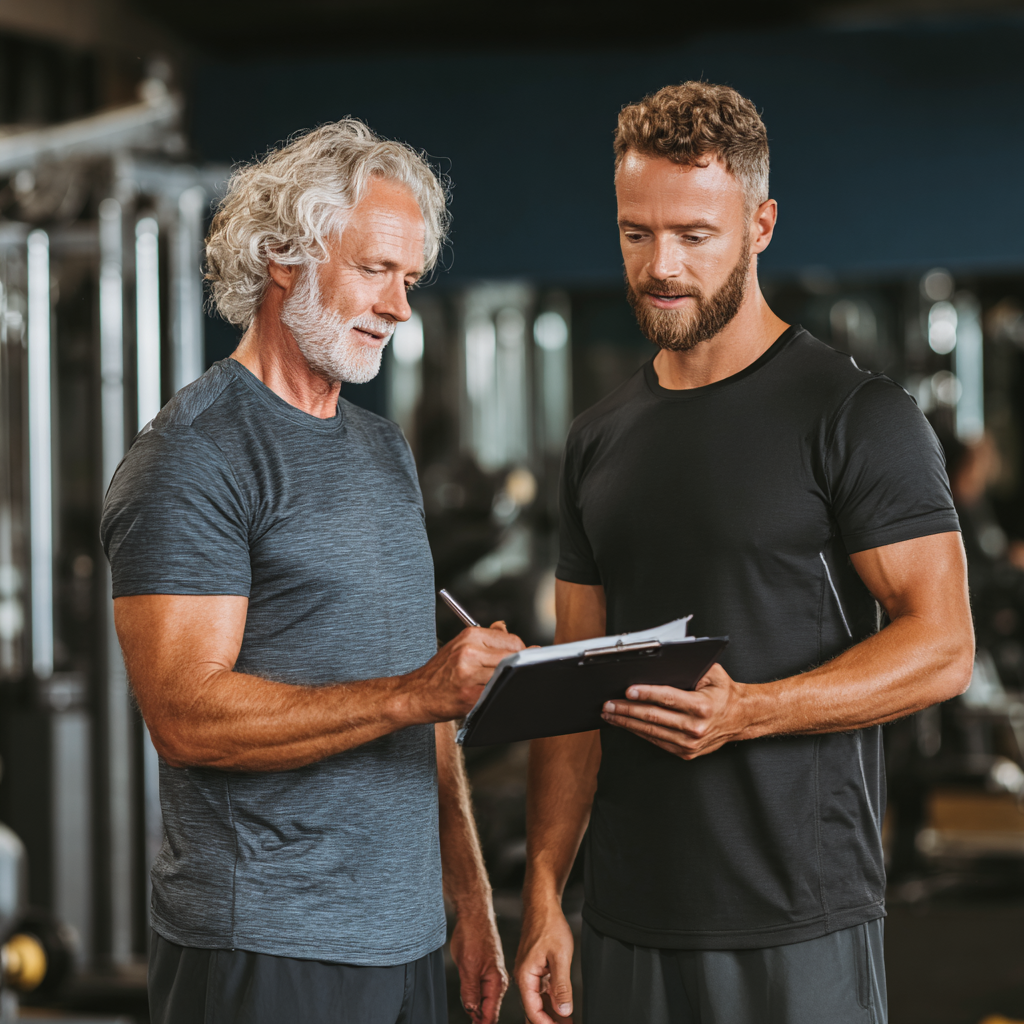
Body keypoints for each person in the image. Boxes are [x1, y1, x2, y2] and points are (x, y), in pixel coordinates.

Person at [514, 82, 975, 1024]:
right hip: (628, 916)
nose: (660, 267)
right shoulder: (599, 437)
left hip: (794, 917)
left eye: (693, 235)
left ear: (760, 224)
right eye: (636, 234)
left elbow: (944, 647)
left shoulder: (855, 417)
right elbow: (571, 693)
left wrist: (753, 711)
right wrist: (544, 896)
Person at [101, 121, 520, 1024]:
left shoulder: (380, 448)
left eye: (409, 280)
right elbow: (185, 716)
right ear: (283, 256)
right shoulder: (194, 456)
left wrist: (471, 896)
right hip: (268, 944)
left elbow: (430, 703)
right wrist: (413, 693)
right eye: (376, 270)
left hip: (405, 940)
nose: (400, 308)